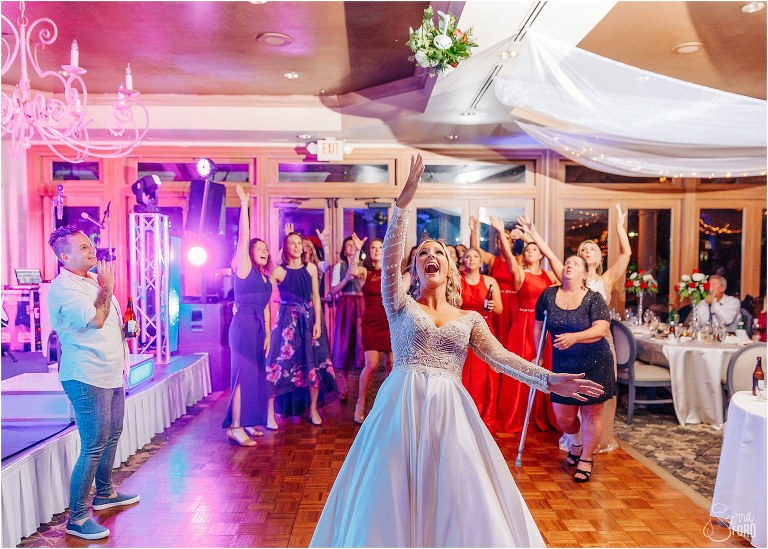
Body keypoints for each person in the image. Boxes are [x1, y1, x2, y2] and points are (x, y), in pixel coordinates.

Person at [309, 155, 604, 547]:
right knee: (393, 489)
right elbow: (390, 255)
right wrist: (402, 206)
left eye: (439, 254)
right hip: (401, 408)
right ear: (415, 269)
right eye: (423, 255)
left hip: (449, 410)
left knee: (456, 491)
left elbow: (502, 358)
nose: (431, 257)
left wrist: (549, 380)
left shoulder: (469, 319)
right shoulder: (399, 303)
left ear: (449, 267)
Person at [47, 226, 139, 540]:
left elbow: (108, 323)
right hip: (86, 375)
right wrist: (109, 286)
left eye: (90, 245)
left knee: (113, 435)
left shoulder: (91, 281)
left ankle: (105, 493)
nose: (91, 250)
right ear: (65, 256)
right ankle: (77, 517)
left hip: (111, 371)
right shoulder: (63, 286)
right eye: (83, 247)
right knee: (94, 445)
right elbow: (96, 319)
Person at [522, 204, 629, 453]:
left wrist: (620, 228)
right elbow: (548, 254)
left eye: (593, 248)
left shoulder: (606, 279)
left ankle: (597, 442)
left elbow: (625, 255)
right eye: (584, 249)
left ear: (599, 257)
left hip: (600, 341)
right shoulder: (568, 277)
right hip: (568, 347)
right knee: (571, 395)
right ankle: (575, 439)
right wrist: (533, 233)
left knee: (599, 395)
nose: (588, 251)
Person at [534, 255, 615, 483]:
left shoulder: (594, 298)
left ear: (584, 274)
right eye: (567, 262)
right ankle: (576, 443)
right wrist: (538, 354)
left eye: (575, 263)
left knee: (591, 412)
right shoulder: (549, 295)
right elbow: (538, 325)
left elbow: (601, 329)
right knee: (563, 416)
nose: (569, 265)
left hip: (595, 361)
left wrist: (574, 337)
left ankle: (586, 457)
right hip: (564, 364)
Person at [491, 216, 559, 434]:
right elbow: (510, 258)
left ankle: (541, 415)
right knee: (520, 368)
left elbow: (554, 259)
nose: (530, 252)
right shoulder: (520, 274)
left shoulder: (550, 275)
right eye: (527, 250)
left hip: (544, 326)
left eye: (534, 250)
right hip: (523, 326)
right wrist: (502, 232)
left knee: (542, 368)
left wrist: (532, 235)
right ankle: (516, 416)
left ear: (540, 254)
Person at [266, 232, 338, 425]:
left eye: (299, 243)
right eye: (292, 243)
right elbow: (264, 295)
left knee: (313, 362)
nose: (297, 246)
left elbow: (316, 295)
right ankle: (270, 413)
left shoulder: (312, 268)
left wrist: (317, 323)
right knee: (279, 363)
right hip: (287, 322)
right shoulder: (278, 271)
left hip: (309, 319)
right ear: (285, 247)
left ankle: (313, 409)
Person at [222, 186, 274, 445]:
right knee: (242, 374)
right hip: (242, 325)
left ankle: (249, 419)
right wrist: (244, 204)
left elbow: (265, 306)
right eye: (259, 248)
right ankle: (235, 426)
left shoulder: (265, 277)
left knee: (254, 374)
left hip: (257, 327)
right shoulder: (244, 269)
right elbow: (244, 236)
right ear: (250, 253)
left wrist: (267, 332)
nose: (264, 251)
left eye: (266, 248)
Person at [459, 247, 503, 430]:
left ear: (480, 261)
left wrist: (492, 306)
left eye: (475, 256)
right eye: (468, 256)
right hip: (462, 330)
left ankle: (483, 419)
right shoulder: (457, 281)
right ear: (463, 260)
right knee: (462, 373)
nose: (471, 259)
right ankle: (461, 417)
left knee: (485, 377)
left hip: (484, 330)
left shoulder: (490, 281)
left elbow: (500, 310)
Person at [469, 216, 525, 349]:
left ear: (512, 243)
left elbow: (534, 248)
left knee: (512, 337)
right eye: (499, 239)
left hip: (513, 301)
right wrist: (473, 230)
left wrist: (522, 236)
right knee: (496, 335)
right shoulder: (492, 259)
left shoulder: (518, 260)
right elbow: (475, 249)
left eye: (506, 239)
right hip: (495, 301)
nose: (502, 241)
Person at [354, 238, 393, 423]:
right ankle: (361, 402)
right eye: (373, 248)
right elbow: (352, 271)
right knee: (371, 364)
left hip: (390, 322)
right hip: (371, 322)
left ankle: (388, 405)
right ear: (369, 252)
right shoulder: (364, 272)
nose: (377, 251)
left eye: (380, 248)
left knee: (392, 365)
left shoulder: (391, 272)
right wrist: (357, 249)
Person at [330, 234, 367, 401]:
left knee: (361, 345)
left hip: (360, 303)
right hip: (345, 304)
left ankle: (362, 390)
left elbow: (359, 276)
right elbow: (333, 291)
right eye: (349, 246)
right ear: (344, 250)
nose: (352, 248)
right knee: (344, 344)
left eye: (355, 245)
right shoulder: (340, 266)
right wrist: (345, 279)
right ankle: (344, 386)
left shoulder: (363, 267)